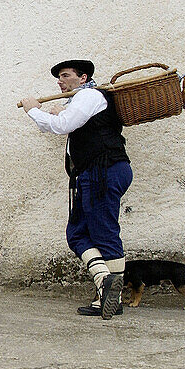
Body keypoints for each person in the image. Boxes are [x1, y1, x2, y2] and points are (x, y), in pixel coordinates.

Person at [21, 59, 132, 319]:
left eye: (65, 75)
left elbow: (63, 126)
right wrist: (54, 112)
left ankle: (109, 294)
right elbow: (64, 121)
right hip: (94, 173)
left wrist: (32, 110)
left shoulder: (89, 96)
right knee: (78, 233)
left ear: (83, 78)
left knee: (104, 233)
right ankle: (106, 288)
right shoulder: (79, 100)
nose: (60, 81)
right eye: (59, 77)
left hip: (103, 171)